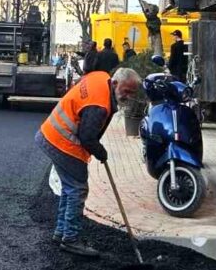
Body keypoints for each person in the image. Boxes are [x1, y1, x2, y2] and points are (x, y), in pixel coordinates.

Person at [36, 67, 142, 257]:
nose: (128, 96)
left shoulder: (101, 78)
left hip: (50, 134)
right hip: (62, 142)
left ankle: (62, 232)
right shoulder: (99, 105)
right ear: (115, 83)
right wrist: (101, 153)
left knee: (70, 188)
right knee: (78, 189)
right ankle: (71, 239)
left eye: (132, 93)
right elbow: (88, 138)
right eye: (126, 91)